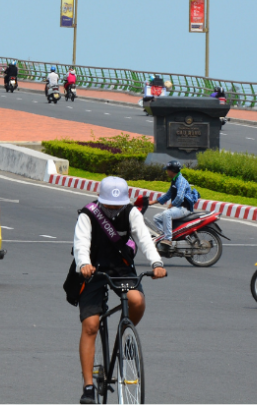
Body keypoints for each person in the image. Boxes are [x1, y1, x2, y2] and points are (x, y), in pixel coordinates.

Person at [74, 176, 166, 405]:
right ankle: (88, 387)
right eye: (109, 204)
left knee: (136, 301)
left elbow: (144, 239)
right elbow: (81, 243)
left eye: (118, 205)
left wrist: (156, 263)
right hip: (93, 271)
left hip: (121, 269)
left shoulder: (131, 212)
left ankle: (125, 337)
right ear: (101, 200)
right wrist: (84, 264)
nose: (114, 209)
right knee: (91, 325)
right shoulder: (88, 214)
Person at [152, 160, 196, 248]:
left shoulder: (181, 181)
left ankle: (168, 239)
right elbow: (168, 195)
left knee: (166, 213)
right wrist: (152, 202)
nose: (167, 172)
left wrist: (172, 204)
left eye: (168, 170)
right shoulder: (174, 181)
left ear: (172, 171)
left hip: (184, 208)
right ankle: (165, 236)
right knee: (156, 218)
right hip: (178, 208)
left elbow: (180, 197)